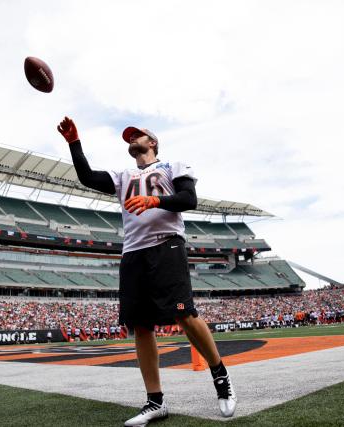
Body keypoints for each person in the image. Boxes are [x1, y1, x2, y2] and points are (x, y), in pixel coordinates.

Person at [57, 117, 237, 426]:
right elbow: (87, 177)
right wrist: (74, 142)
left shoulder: (172, 166)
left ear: (152, 142)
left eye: (137, 135)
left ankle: (221, 376)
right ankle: (155, 401)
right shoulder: (122, 175)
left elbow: (188, 199)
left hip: (166, 244)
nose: (132, 139)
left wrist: (154, 200)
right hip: (133, 252)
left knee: (184, 314)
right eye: (129, 137)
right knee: (140, 326)